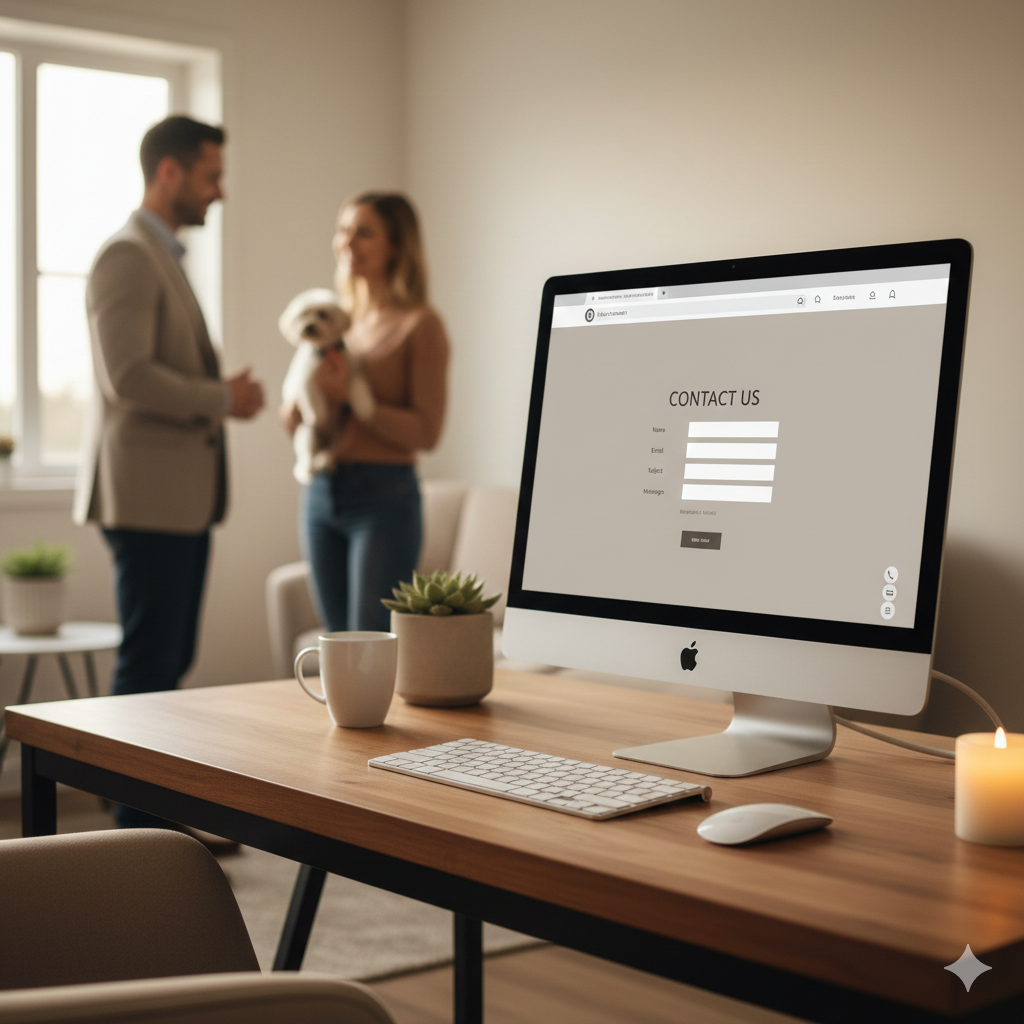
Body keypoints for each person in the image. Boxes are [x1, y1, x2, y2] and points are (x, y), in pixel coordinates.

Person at [74, 115, 264, 832]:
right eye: (212, 176)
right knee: (149, 667)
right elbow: (127, 377)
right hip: (147, 500)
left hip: (175, 500)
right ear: (170, 172)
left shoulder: (162, 255)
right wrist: (222, 398)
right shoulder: (127, 255)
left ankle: (147, 819)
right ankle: (137, 839)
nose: (220, 191)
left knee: (166, 661)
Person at [281, 193, 448, 632]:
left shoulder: (420, 325)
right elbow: (301, 416)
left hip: (383, 499)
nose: (347, 243)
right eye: (343, 231)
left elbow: (427, 432)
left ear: (397, 246)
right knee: (337, 646)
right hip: (320, 492)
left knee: (369, 645)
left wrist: (355, 402)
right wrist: (298, 410)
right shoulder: (334, 322)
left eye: (364, 233)